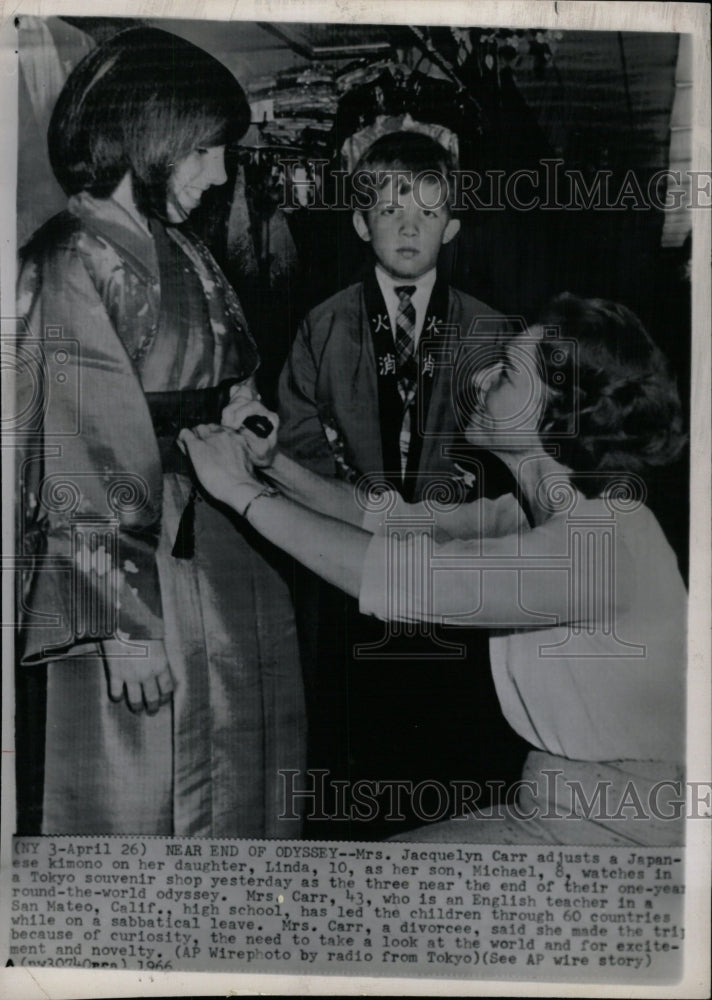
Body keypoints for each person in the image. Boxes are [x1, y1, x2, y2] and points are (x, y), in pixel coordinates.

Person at [181, 293, 687, 846]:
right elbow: (389, 520)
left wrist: (241, 492)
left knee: (348, 904)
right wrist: (273, 464)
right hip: (560, 809)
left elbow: (397, 577)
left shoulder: (594, 546)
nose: (479, 380)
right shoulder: (544, 514)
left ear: (558, 414)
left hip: (625, 831)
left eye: (507, 371)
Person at [15, 26, 305, 837]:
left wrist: (243, 414)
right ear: (152, 133)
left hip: (220, 540)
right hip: (140, 574)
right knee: (142, 791)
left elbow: (223, 371)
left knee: (244, 772)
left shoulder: (180, 246)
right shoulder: (73, 256)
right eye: (208, 150)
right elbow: (82, 446)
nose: (219, 175)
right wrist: (123, 625)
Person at [275, 130, 527, 834]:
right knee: (358, 758)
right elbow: (297, 445)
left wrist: (441, 515)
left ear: (452, 224)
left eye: (426, 210)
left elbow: (507, 453)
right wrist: (364, 510)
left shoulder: (490, 328)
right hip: (352, 572)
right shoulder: (322, 329)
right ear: (361, 224)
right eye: (389, 211)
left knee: (456, 755)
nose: (408, 226)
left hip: (458, 574)